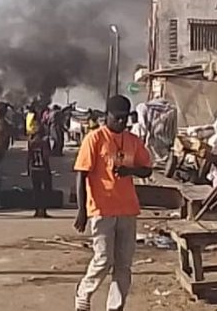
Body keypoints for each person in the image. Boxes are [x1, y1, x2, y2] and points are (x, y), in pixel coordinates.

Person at [74, 95, 153, 311]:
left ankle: (115, 306)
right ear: (106, 115)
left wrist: (131, 171)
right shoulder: (94, 138)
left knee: (123, 264)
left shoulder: (133, 140)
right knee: (103, 260)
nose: (121, 122)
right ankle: (84, 292)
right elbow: (81, 175)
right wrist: (82, 211)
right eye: (117, 118)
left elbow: (147, 168)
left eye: (124, 119)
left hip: (128, 209)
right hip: (102, 209)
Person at [28, 128, 52, 218]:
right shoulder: (44, 142)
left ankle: (37, 210)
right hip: (44, 168)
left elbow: (29, 157)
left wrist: (28, 169)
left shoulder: (31, 142)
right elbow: (46, 155)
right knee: (45, 190)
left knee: (36, 190)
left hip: (34, 168)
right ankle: (43, 210)